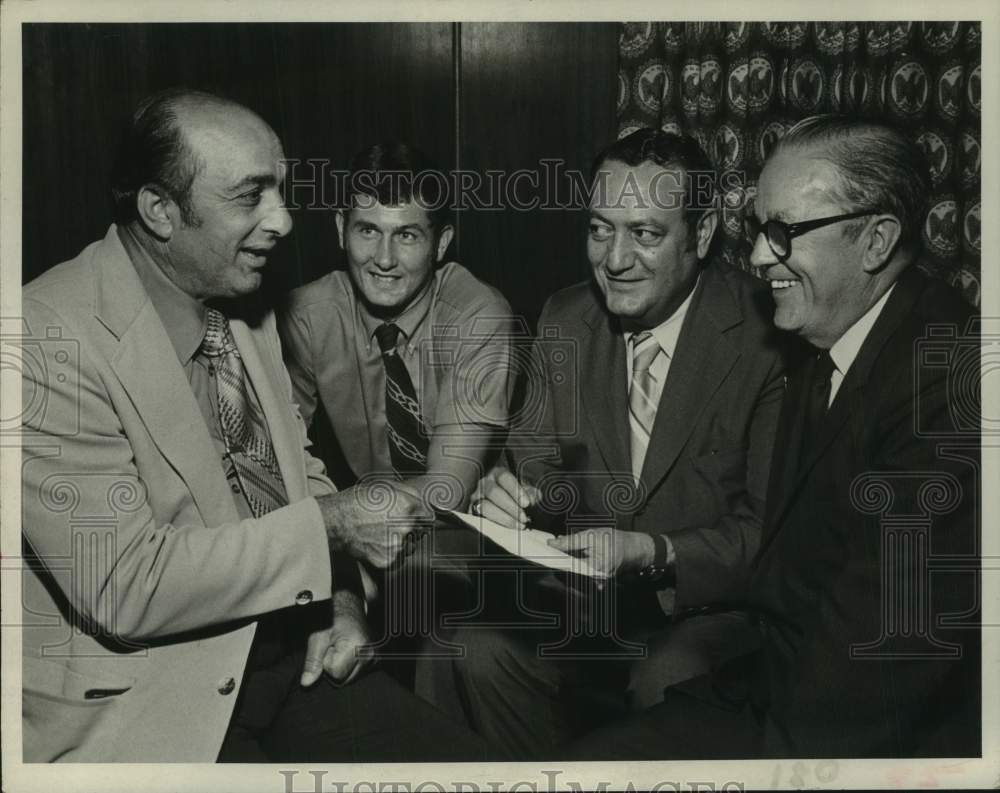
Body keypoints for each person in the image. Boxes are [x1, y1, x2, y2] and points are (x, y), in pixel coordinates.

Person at [19, 88, 489, 763]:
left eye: (282, 189)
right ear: (159, 210)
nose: (283, 220)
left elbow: (297, 470)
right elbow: (125, 585)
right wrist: (332, 524)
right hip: (151, 702)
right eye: (251, 197)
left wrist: (342, 599)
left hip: (288, 660)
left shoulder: (244, 300)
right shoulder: (41, 338)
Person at [567, 115, 981, 758]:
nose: (759, 256)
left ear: (876, 240)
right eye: (761, 230)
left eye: (784, 232)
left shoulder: (947, 381)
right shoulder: (825, 342)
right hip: (778, 683)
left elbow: (883, 662)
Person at [451, 129, 791, 758]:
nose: (614, 259)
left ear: (704, 231)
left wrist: (653, 551)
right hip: (586, 600)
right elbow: (536, 467)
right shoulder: (565, 316)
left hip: (704, 612)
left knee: (670, 678)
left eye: (646, 233)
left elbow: (770, 535)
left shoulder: (770, 335)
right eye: (600, 228)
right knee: (475, 649)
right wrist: (507, 495)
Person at [280, 141, 511, 506]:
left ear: (440, 243)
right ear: (341, 228)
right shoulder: (308, 316)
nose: (384, 259)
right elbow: (275, 459)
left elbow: (445, 492)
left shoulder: (476, 315)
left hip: (466, 533)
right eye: (368, 231)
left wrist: (339, 515)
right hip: (364, 531)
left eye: (406, 235)